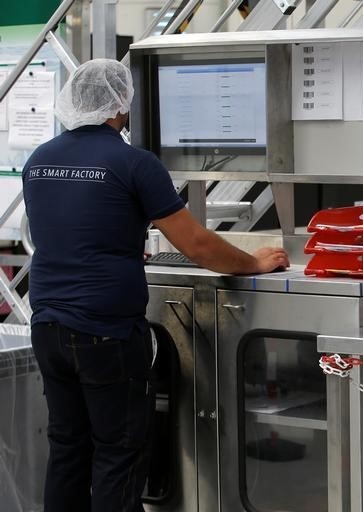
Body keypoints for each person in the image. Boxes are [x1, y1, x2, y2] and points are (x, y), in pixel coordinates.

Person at [21, 58, 289, 512]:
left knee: (68, 448)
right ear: (120, 105)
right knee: (118, 453)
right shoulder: (133, 163)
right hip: (105, 332)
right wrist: (254, 264)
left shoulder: (39, 160)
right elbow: (199, 246)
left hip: (47, 326)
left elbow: (75, 229)